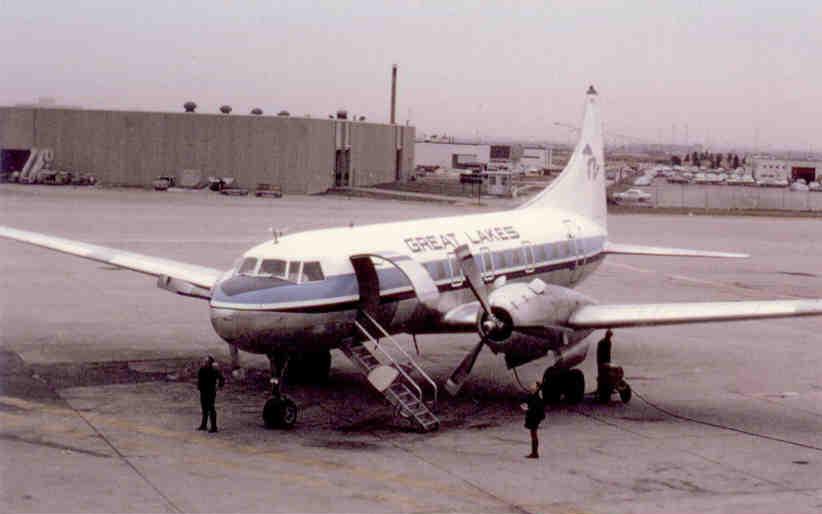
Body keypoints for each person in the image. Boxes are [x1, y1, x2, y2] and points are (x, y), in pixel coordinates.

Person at [197, 355, 225, 433]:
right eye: (204, 361)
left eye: (206, 361)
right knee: (204, 408)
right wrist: (199, 387)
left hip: (210, 391)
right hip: (203, 391)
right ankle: (204, 425)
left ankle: (214, 427)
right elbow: (199, 379)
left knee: (211, 408)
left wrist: (219, 386)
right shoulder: (202, 369)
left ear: (210, 363)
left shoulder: (214, 370)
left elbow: (222, 378)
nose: (204, 363)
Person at [521, 381, 545, 459]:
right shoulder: (535, 395)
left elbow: (536, 407)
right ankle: (534, 452)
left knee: (534, 434)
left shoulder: (537, 397)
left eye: (533, 388)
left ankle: (535, 453)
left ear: (537, 388)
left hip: (534, 417)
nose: (531, 389)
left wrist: (527, 409)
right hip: (534, 417)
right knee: (533, 434)